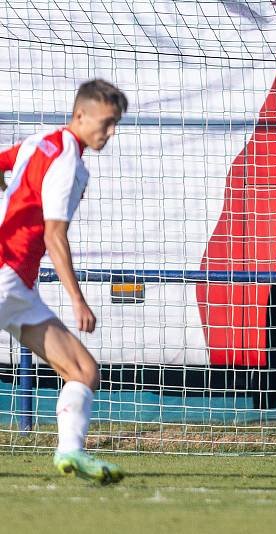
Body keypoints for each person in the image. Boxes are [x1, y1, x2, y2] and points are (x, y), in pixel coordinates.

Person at [0, 79, 127, 484]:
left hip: (18, 286)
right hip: (7, 275)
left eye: (115, 125)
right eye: (106, 123)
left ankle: (70, 453)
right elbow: (55, 235)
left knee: (83, 370)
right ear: (80, 115)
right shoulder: (68, 160)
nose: (109, 133)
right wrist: (77, 299)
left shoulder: (41, 140)